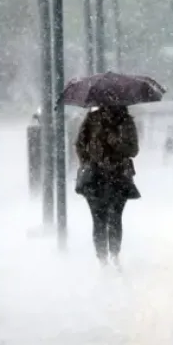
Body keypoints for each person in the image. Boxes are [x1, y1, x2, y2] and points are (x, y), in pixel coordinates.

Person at [75, 106, 140, 267]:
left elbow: (133, 150)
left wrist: (115, 141)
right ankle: (103, 258)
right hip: (95, 177)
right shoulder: (92, 120)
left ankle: (113, 256)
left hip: (117, 176)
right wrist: (89, 161)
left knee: (114, 217)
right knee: (99, 219)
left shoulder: (126, 121)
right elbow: (80, 145)